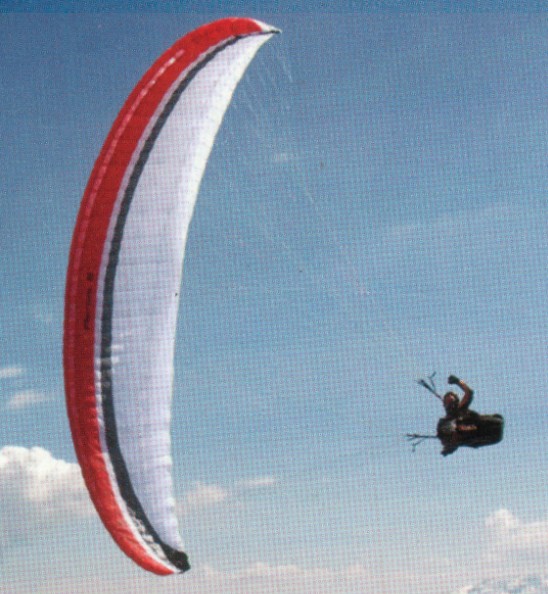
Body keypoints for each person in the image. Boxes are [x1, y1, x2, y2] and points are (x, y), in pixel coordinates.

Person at [436, 375, 503, 456]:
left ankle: (459, 433)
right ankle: (457, 434)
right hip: (482, 437)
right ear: (444, 405)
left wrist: (457, 381)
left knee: (458, 421)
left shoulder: (460, 410)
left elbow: (469, 392)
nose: (450, 406)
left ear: (457, 402)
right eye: (448, 403)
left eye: (452, 403)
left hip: (491, 426)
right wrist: (448, 449)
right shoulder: (444, 422)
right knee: (451, 427)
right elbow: (453, 442)